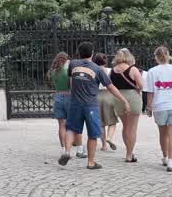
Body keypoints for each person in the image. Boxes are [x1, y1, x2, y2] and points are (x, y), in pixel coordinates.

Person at [60, 42, 128, 170]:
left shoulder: (73, 64)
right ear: (92, 53)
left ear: (79, 53)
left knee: (71, 128)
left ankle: (67, 152)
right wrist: (124, 100)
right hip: (91, 105)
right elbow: (111, 87)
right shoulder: (97, 69)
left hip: (75, 103)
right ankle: (91, 162)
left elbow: (71, 82)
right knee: (92, 134)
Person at [143, 47, 172, 172]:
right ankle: (171, 162)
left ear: (156, 57)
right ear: (168, 55)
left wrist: (149, 106)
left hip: (160, 105)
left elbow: (150, 92)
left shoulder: (152, 71)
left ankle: (165, 156)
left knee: (163, 134)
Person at [109, 49, 145, 163]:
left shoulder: (112, 71)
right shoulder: (133, 69)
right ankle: (129, 154)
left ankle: (128, 151)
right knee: (132, 128)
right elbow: (141, 85)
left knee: (125, 127)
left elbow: (111, 86)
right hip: (132, 98)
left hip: (119, 98)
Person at [48, 52, 74, 157]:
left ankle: (63, 148)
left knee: (61, 125)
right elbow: (71, 86)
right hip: (68, 96)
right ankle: (70, 147)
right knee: (70, 125)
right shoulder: (67, 71)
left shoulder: (53, 71)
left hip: (58, 97)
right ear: (66, 59)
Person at [94, 52, 119, 152]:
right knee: (112, 120)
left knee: (100, 123)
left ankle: (104, 145)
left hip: (96, 96)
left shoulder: (93, 70)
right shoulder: (110, 71)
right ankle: (109, 137)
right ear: (105, 61)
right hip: (109, 95)